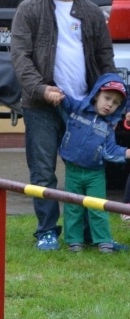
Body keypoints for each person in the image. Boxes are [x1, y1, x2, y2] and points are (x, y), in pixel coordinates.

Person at [11, 0, 117, 251]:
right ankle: (46, 230)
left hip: (84, 108)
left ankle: (85, 232)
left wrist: (114, 104)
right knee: (43, 170)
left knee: (85, 171)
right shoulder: (29, 10)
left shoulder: (92, 14)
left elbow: (105, 60)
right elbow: (19, 58)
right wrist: (42, 89)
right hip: (41, 106)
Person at [56, 74, 129, 252]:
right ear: (96, 94)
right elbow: (63, 98)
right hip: (72, 171)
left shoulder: (108, 128)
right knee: (73, 207)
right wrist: (54, 92)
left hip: (95, 174)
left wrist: (127, 152)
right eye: (107, 98)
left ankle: (103, 241)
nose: (109, 104)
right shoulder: (77, 107)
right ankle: (74, 241)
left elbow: (111, 151)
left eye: (116, 102)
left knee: (97, 207)